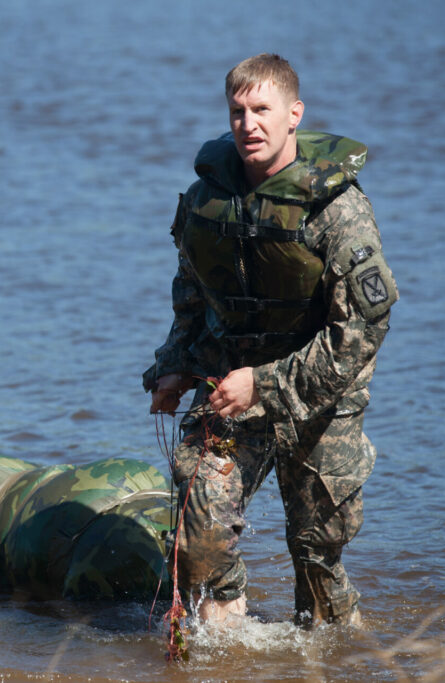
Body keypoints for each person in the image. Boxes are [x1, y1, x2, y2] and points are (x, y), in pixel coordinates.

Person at [143, 54, 397, 628]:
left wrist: (265, 383)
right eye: (238, 111)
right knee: (197, 529)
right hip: (231, 395)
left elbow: (363, 330)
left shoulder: (337, 209)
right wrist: (174, 365)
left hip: (318, 399)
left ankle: (339, 660)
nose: (248, 124)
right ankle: (230, 622)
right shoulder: (206, 198)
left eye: (262, 110)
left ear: (293, 115)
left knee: (316, 561)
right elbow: (191, 293)